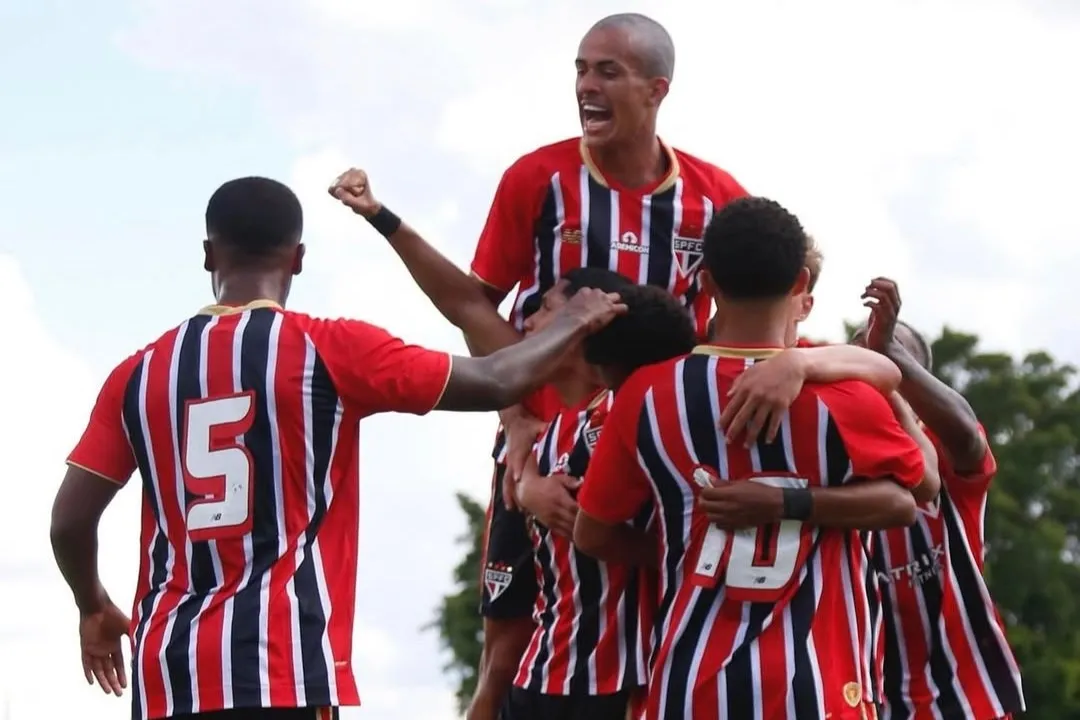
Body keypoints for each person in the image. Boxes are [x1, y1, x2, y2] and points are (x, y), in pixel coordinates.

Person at [48, 177, 626, 720]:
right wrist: (571, 320)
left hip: (168, 675)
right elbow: (498, 380)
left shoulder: (139, 374)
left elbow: (70, 522)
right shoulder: (329, 350)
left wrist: (93, 605)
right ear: (298, 257)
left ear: (208, 254)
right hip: (282, 665)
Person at [466, 13, 748, 716]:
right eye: (581, 69)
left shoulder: (716, 198)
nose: (587, 86)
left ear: (657, 90)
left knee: (652, 631)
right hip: (542, 445)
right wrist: (517, 431)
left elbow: (743, 316)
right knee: (510, 637)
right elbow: (480, 309)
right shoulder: (537, 178)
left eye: (607, 72)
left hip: (652, 451)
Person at [572, 197, 936, 720]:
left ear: (709, 282)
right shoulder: (847, 398)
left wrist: (694, 544)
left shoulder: (646, 396)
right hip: (819, 686)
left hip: (690, 682)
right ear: (798, 286)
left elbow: (594, 534)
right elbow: (918, 491)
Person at [852, 278, 1026, 720]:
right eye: (857, 356)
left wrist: (888, 352)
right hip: (861, 702)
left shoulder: (944, 457)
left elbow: (967, 434)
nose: (870, 369)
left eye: (890, 355)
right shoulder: (825, 458)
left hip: (964, 704)